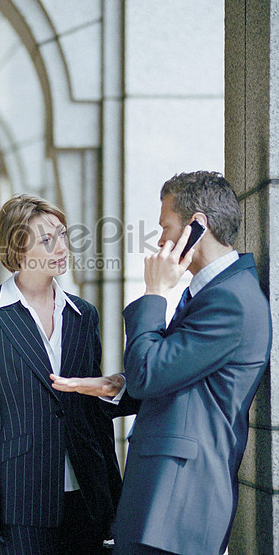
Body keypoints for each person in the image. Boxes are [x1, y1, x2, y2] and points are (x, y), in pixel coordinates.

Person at [52, 171, 272, 555]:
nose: (160, 241)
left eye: (165, 227)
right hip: (165, 497)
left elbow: (149, 373)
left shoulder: (231, 299)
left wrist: (155, 292)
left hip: (180, 501)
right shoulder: (213, 293)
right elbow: (173, 375)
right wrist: (115, 385)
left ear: (197, 226)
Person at [0, 194, 137, 555]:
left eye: (63, 235)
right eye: (47, 240)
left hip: (88, 494)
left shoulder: (84, 315)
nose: (62, 247)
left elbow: (91, 410)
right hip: (19, 499)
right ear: (18, 247)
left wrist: (114, 391)